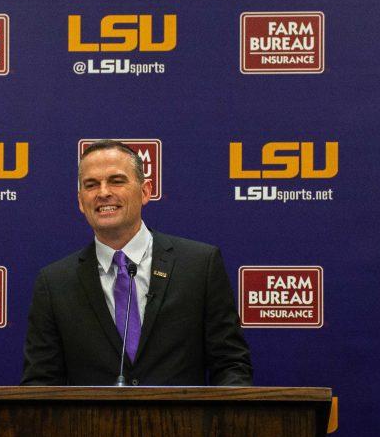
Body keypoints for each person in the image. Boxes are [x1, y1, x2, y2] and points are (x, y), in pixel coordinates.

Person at [21, 140, 252, 386]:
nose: (103, 192)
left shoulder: (199, 265)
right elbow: (40, 382)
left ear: (145, 192)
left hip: (183, 423)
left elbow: (231, 364)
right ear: (80, 201)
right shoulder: (54, 282)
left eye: (116, 181)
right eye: (91, 185)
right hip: (91, 424)